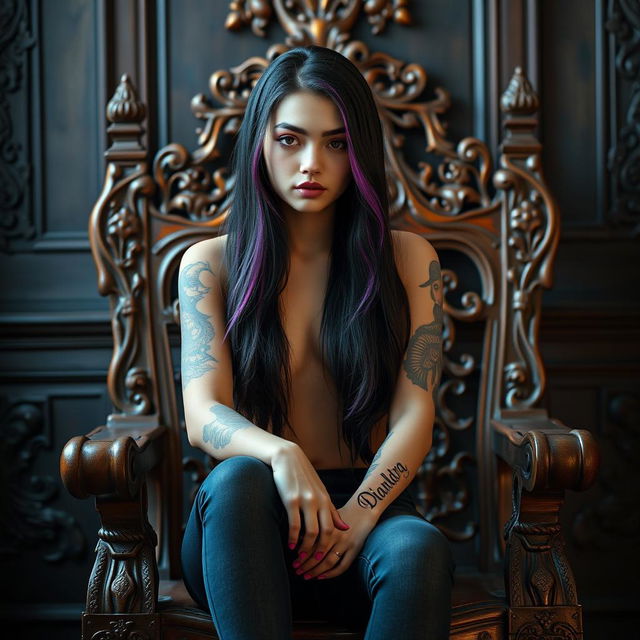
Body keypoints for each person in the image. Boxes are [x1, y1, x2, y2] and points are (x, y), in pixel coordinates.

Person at [178, 45, 454, 640]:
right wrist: (282, 453)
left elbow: (415, 412)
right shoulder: (210, 264)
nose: (311, 163)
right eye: (289, 139)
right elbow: (202, 415)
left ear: (360, 151)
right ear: (260, 144)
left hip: (366, 512)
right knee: (238, 479)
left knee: (417, 551)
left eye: (336, 143)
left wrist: (360, 513)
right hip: (247, 525)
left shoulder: (408, 260)